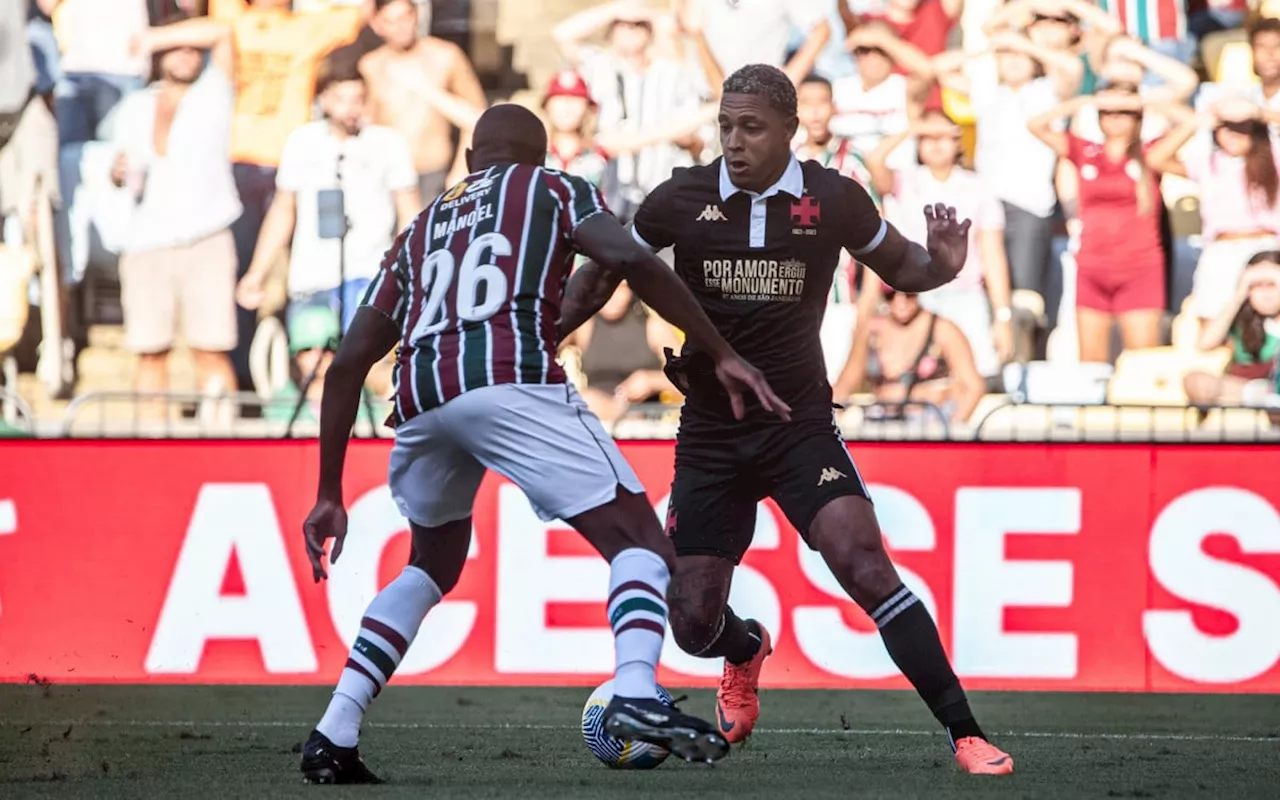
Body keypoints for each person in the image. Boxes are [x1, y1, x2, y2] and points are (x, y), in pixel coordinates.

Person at [297, 103, 788, 783]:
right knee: (641, 546)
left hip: (421, 396)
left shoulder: (421, 226)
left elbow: (349, 361)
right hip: (510, 381)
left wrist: (329, 493)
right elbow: (628, 259)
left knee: (431, 562)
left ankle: (334, 730)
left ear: (472, 161)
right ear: (540, 155)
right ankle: (639, 695)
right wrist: (719, 350)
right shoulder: (554, 188)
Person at [558, 64, 1014, 775]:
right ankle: (744, 649)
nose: (734, 143)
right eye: (725, 127)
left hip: (798, 425)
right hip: (710, 432)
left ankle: (965, 734)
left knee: (864, 564)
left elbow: (905, 266)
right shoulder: (679, 197)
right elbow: (604, 274)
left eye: (751, 127)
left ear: (790, 132)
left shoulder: (832, 198)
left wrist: (944, 265)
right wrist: (544, 336)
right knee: (690, 619)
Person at [111, 17, 240, 412]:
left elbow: (223, 32)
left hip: (207, 235)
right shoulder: (134, 104)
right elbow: (122, 166)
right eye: (177, 48)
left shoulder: (214, 93)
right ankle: (152, 448)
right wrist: (116, 171)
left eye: (190, 48)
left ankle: (223, 444)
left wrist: (153, 36)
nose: (186, 55)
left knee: (211, 349)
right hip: (146, 240)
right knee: (150, 352)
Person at [235, 62, 420, 333]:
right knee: (314, 361)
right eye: (342, 100)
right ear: (324, 99)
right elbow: (283, 211)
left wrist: (408, 270)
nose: (351, 109)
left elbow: (409, 211)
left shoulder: (388, 143)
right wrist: (257, 273)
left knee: (371, 363)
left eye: (358, 99)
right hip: (313, 275)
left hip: (371, 272)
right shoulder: (302, 141)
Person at [862, 111, 1014, 382]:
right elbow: (873, 160)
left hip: (966, 295)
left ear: (958, 142)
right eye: (928, 138)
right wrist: (913, 128)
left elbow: (993, 256)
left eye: (944, 136)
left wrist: (1002, 316)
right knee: (915, 376)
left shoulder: (978, 187)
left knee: (977, 374)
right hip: (916, 298)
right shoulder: (905, 181)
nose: (936, 143)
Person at [1028, 86, 1167, 362]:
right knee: (1092, 366)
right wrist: (1085, 100)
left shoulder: (1151, 154)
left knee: (1141, 364)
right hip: (1093, 268)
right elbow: (1035, 125)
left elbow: (1191, 123)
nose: (1116, 118)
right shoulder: (1085, 151)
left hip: (1140, 269)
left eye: (1125, 113)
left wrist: (1143, 100)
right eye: (1107, 112)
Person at [1145, 97, 1280, 325]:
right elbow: (1155, 158)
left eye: (1242, 126)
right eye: (1226, 127)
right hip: (1220, 250)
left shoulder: (1273, 156)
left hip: (1265, 248)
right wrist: (1198, 120)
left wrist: (1259, 112)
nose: (1234, 133)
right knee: (1212, 317)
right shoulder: (1207, 162)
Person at [358, 0, 487, 202]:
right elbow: (365, 122)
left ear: (416, 15)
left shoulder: (445, 55)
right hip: (387, 175)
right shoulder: (370, 66)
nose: (400, 27)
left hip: (434, 172)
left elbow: (477, 116)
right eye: (390, 21)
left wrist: (461, 170)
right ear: (377, 24)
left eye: (405, 17)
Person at [837, 285, 986, 423]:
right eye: (890, 294)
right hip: (882, 425)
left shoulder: (943, 329)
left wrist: (952, 431)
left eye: (909, 293)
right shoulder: (870, 331)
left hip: (930, 425)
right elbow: (846, 383)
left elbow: (973, 386)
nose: (900, 300)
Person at [561, 280, 680, 426]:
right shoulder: (584, 326)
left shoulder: (653, 326)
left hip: (645, 420)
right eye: (606, 289)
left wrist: (651, 381)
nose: (612, 296)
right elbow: (544, 346)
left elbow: (688, 378)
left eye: (620, 289)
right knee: (581, 400)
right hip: (596, 416)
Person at [1184, 252, 1280, 408]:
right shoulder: (1241, 320)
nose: (1265, 294)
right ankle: (1269, 400)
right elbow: (1205, 343)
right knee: (1196, 381)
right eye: (1257, 286)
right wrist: (1240, 293)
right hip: (1248, 390)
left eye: (1271, 285)